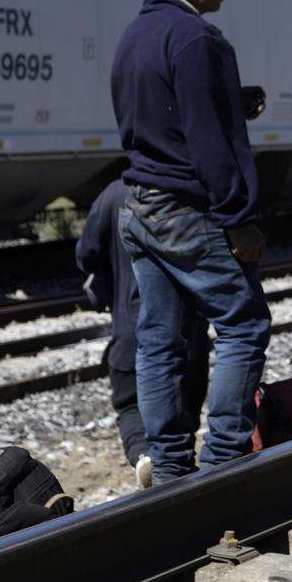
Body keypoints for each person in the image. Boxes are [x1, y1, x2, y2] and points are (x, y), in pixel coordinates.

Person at [110, 0, 271, 483]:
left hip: (139, 206)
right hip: (186, 207)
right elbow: (206, 141)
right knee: (244, 323)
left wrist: (232, 100)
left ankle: (170, 463)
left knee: (159, 338)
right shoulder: (200, 39)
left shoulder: (134, 35)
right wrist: (238, 217)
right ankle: (227, 456)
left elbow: (158, 114)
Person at [74, 180, 209, 489]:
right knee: (185, 404)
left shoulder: (114, 193)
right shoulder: (190, 186)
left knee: (130, 405)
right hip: (190, 330)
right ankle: (181, 467)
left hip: (130, 328)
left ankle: (145, 456)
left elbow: (87, 252)